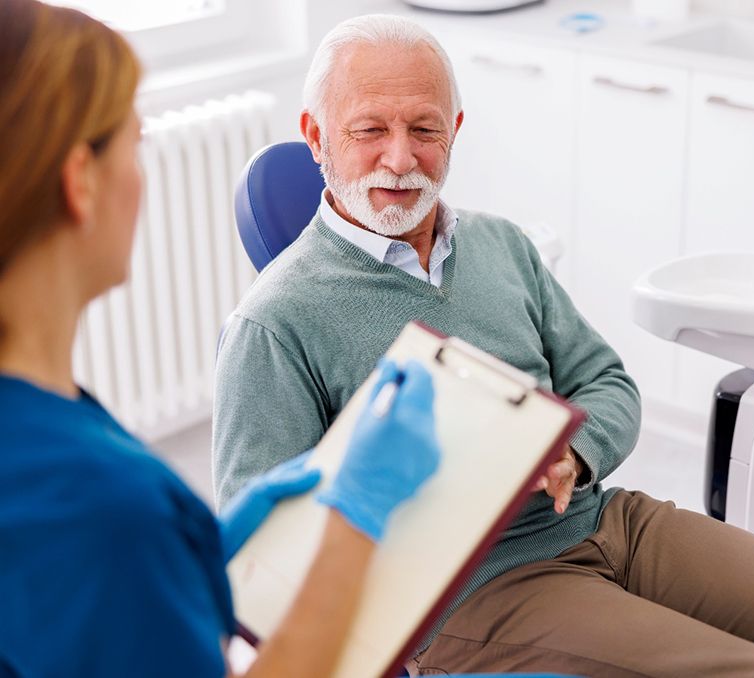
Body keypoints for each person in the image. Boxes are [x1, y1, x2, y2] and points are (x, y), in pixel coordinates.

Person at [212, 12, 754, 677]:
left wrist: (574, 454)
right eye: (370, 129)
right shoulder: (275, 322)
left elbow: (607, 382)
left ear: (457, 131)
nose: (402, 159)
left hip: (608, 522)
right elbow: (267, 567)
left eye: (425, 129)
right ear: (315, 136)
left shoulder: (500, 247)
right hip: (478, 595)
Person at [0, 2, 443, 676]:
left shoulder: (42, 427)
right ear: (79, 182)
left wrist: (199, 546)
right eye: (135, 143)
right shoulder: (100, 507)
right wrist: (360, 512)